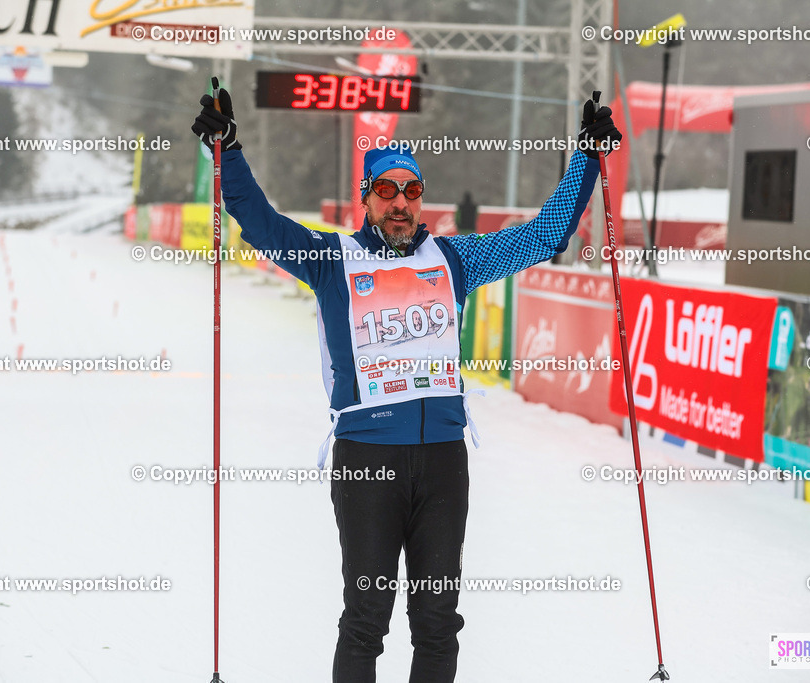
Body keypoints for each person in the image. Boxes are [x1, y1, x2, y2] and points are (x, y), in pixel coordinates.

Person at [192, 89, 621, 682]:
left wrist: (585, 156)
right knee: (366, 618)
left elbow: (544, 237)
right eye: (386, 191)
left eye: (411, 191)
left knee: (438, 621)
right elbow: (263, 226)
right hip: (367, 461)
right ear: (365, 199)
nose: (399, 203)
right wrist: (228, 151)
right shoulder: (331, 259)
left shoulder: (455, 260)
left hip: (443, 461)